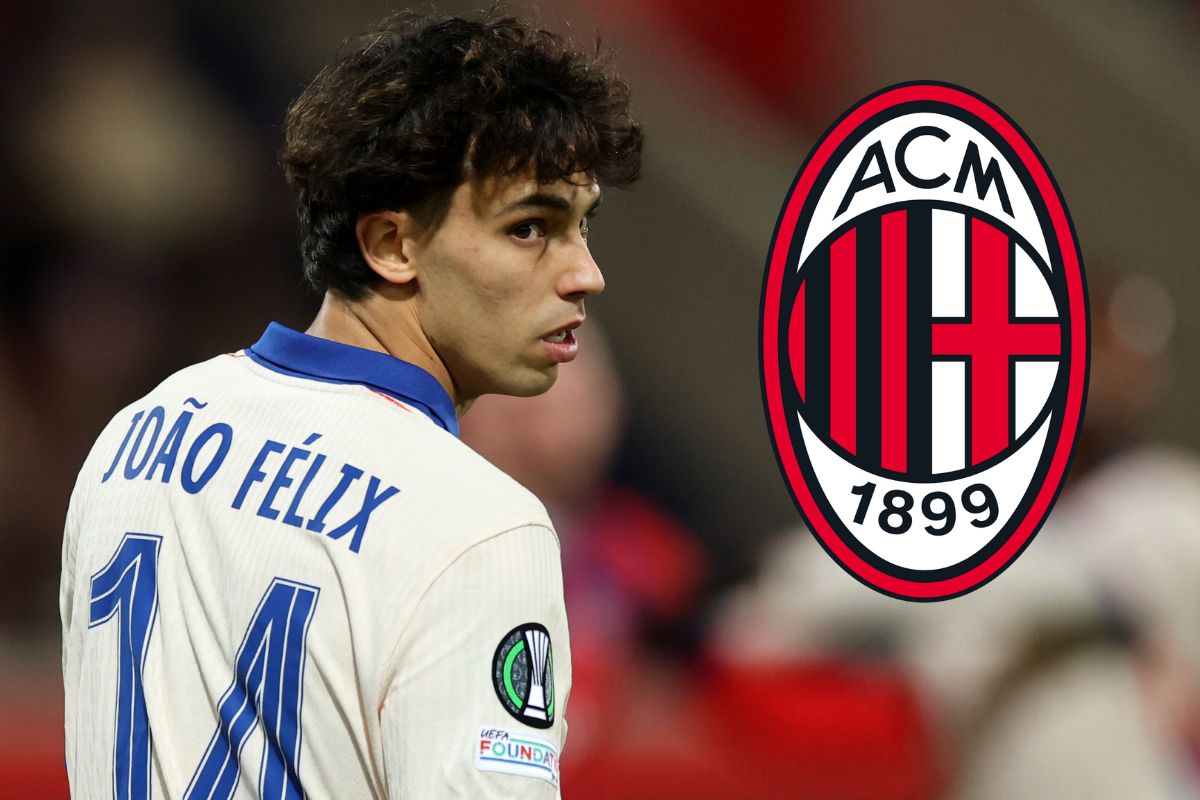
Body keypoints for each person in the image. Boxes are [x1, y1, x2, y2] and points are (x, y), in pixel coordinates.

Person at [59, 11, 641, 799]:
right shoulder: (480, 527)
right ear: (391, 245)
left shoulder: (134, 433)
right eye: (531, 227)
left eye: (582, 226)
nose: (585, 274)